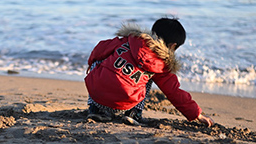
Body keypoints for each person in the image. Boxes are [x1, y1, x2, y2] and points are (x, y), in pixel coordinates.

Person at [85, 18, 214, 127]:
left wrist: (91, 63)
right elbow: (173, 91)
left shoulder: (128, 41)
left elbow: (100, 48)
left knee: (99, 61)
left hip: (98, 93)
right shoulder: (160, 64)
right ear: (172, 46)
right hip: (125, 100)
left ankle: (96, 109)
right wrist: (196, 114)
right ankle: (134, 113)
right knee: (148, 77)